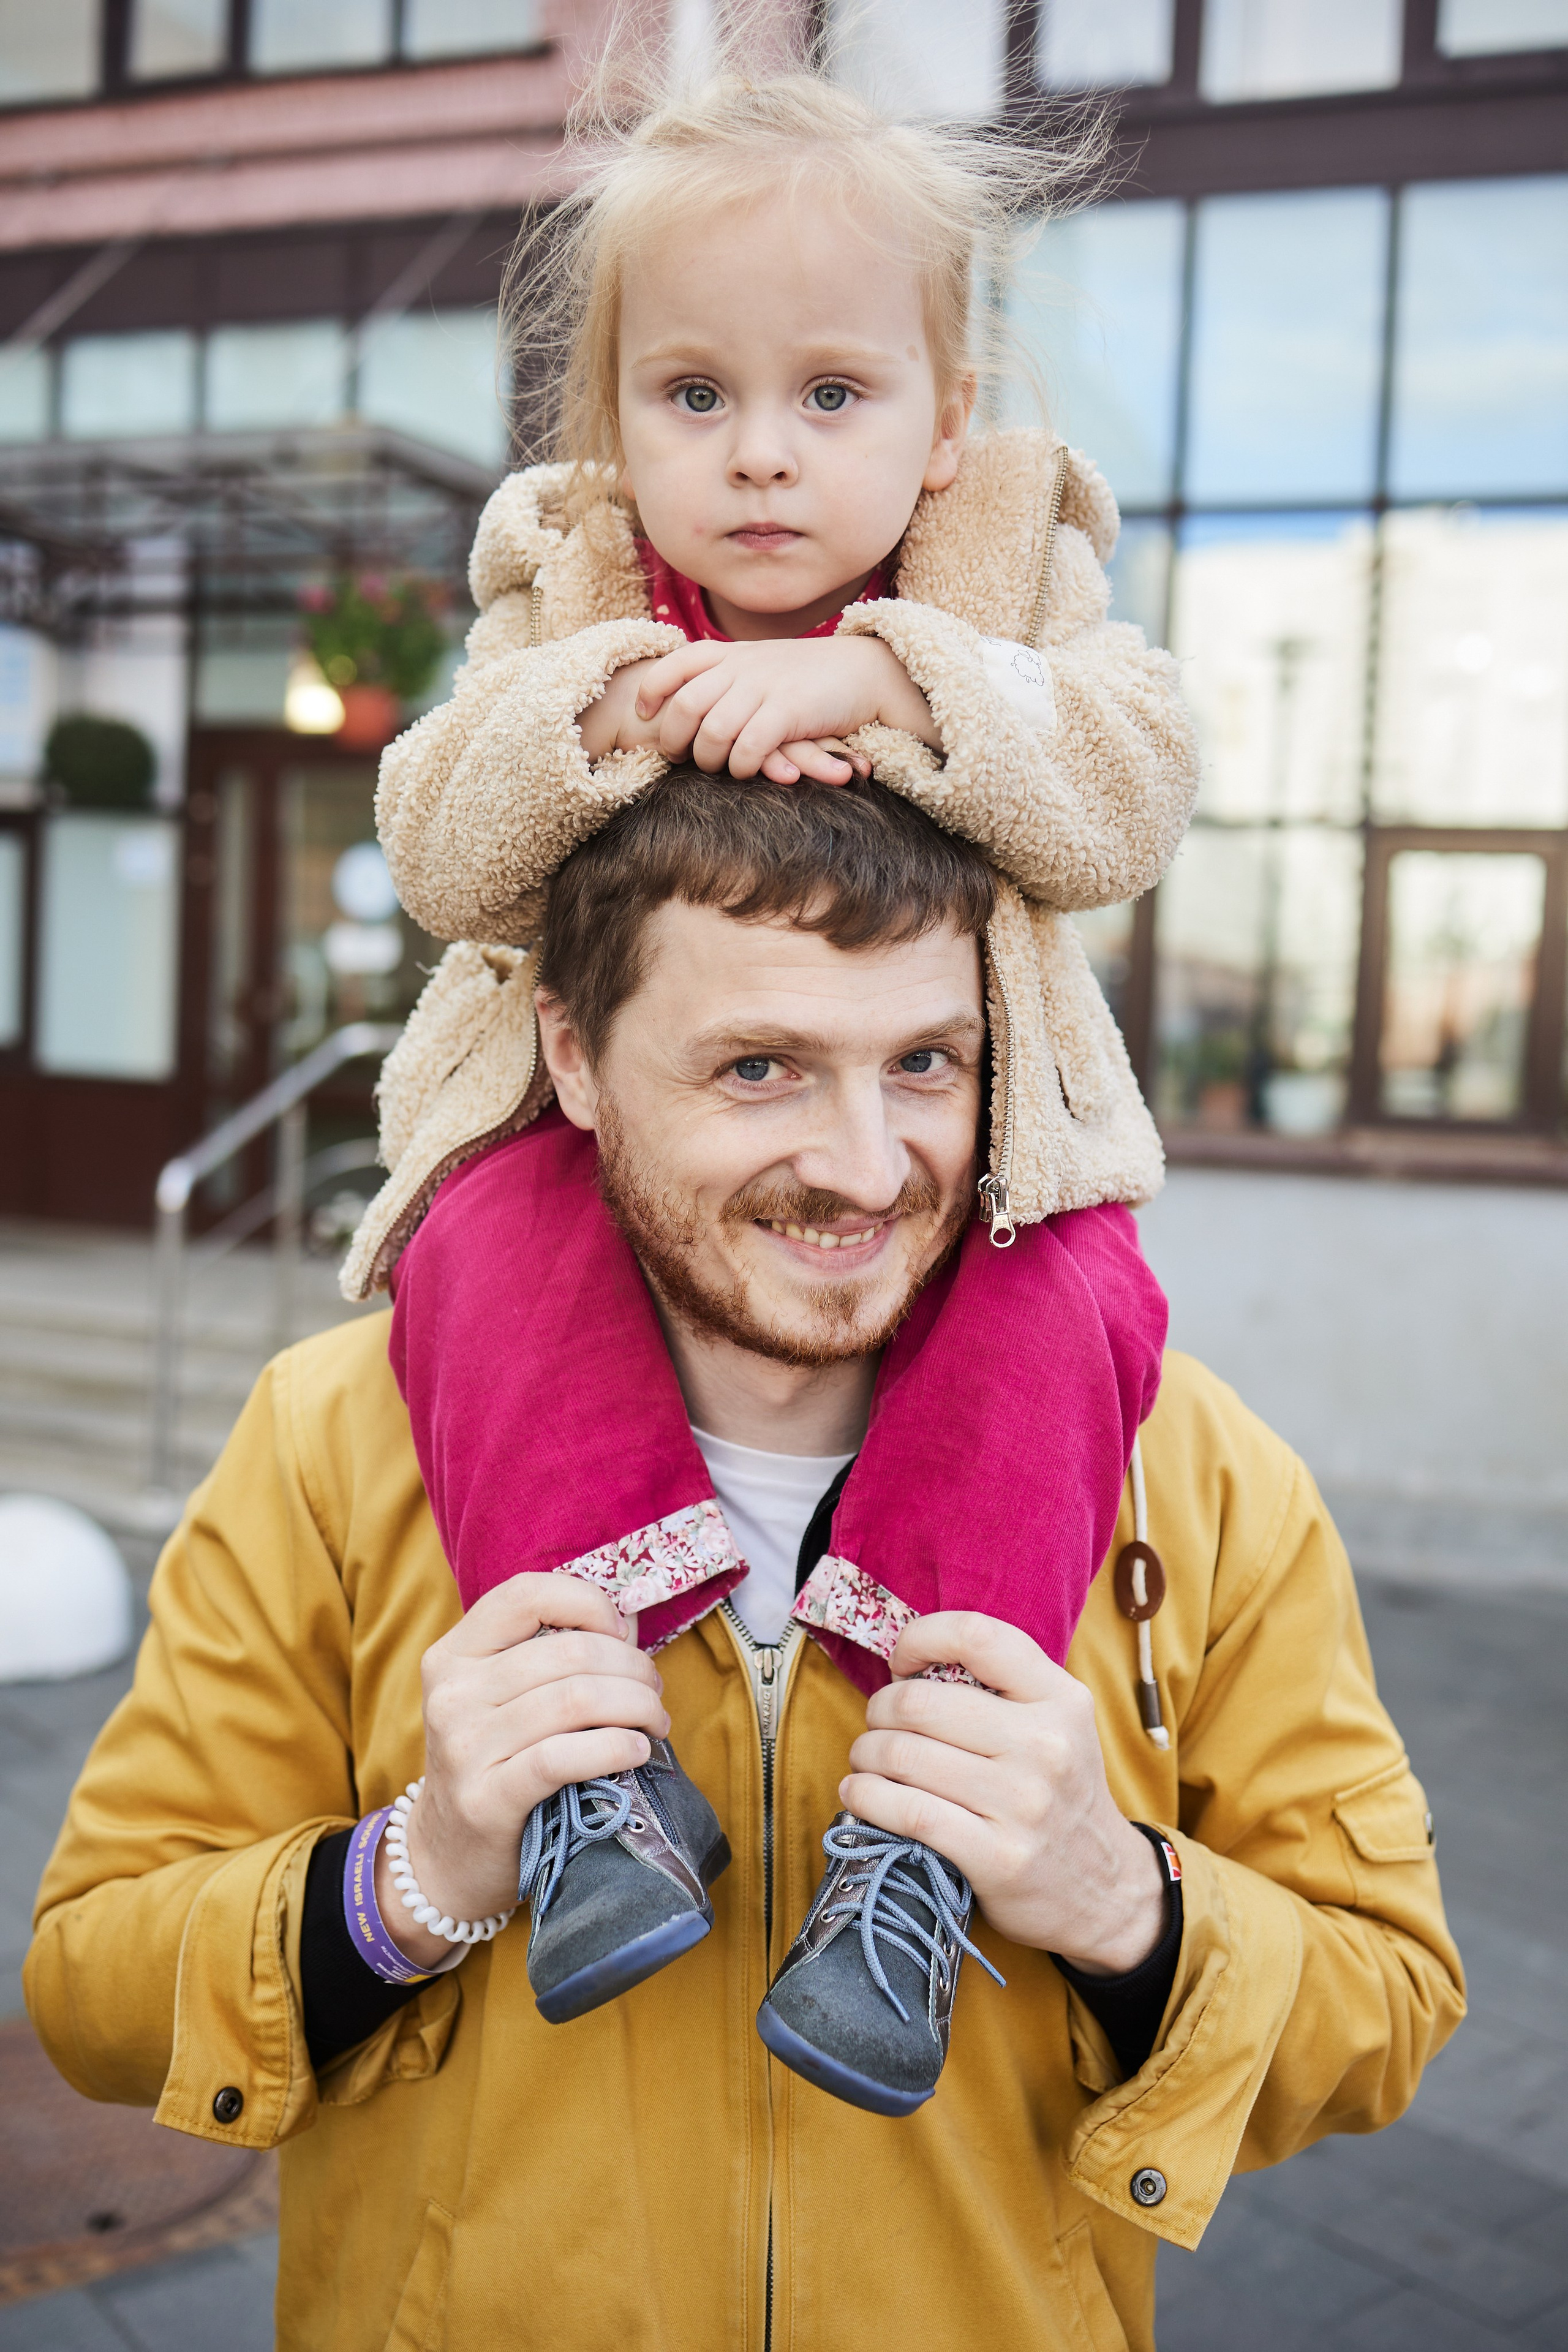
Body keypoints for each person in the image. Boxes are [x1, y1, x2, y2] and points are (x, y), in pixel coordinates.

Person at [28, 769, 1462, 2352]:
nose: (864, 1167)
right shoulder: (328, 1444)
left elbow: (1387, 1998)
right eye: (761, 1068)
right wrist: (413, 1878)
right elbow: (93, 1980)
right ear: (572, 1057)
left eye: (926, 1063)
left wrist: (1122, 1900)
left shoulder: (1190, 1476)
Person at [355, 45, 1197, 2098]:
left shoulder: (1003, 579)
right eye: (695, 396)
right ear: (613, 420)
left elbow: (1127, 798)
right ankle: (590, 1782)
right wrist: (598, 709)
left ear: (940, 430)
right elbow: (438, 850)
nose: (758, 459)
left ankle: (910, 1834)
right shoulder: (564, 590)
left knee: (1073, 1307)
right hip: (571, 1143)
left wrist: (892, 679)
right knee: (484, 1254)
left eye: (832, 395)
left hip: (989, 1168)